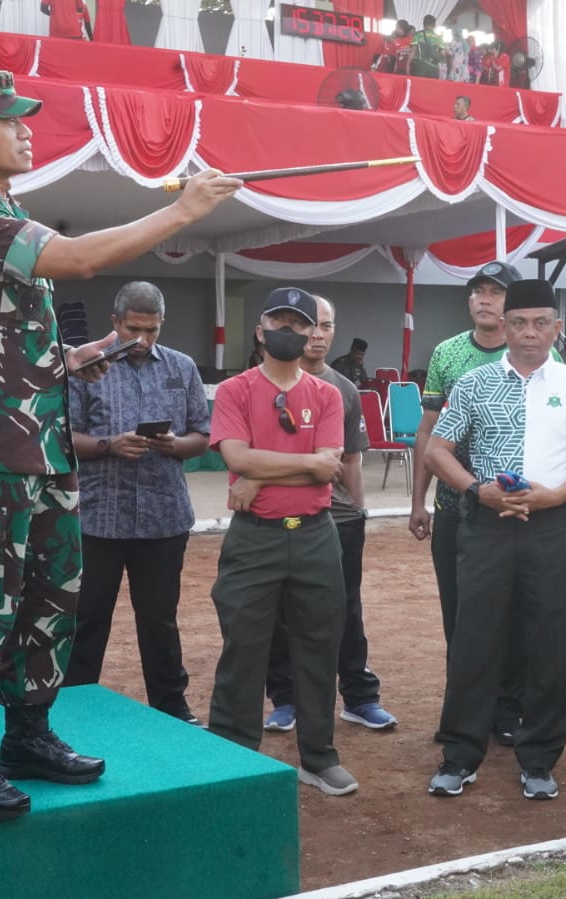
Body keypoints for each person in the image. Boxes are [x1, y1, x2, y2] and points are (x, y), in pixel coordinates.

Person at [0, 70, 240, 822]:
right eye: (10, 121)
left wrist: (70, 358)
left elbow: (6, 340)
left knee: (46, 598)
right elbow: (81, 259)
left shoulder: (4, 208)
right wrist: (183, 210)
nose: (26, 130)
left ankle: (26, 734)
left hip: (36, 444)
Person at [423, 278, 566, 801]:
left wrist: (556, 497)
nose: (530, 332)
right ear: (505, 327)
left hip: (553, 526)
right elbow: (437, 450)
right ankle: (460, 755)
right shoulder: (474, 383)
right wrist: (475, 491)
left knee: (550, 641)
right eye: (520, 323)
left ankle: (540, 758)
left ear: (556, 328)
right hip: (487, 525)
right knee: (474, 638)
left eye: (540, 323)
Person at [207, 287, 356, 797]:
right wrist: (302, 464)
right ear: (260, 329)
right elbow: (237, 458)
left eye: (299, 324)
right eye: (279, 322)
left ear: (313, 332)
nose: (289, 332)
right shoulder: (235, 391)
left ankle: (319, 757)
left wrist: (259, 474)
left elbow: (330, 470)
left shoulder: (327, 395)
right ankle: (233, 760)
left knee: (319, 648)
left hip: (315, 537)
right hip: (254, 540)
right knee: (243, 648)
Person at [64, 282, 211, 726]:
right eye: (133, 329)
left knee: (159, 619)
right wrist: (109, 445)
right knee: (88, 616)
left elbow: (203, 435)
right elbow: (63, 436)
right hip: (99, 518)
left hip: (163, 517)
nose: (143, 340)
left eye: (152, 330)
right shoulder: (88, 369)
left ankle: (170, 706)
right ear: (115, 323)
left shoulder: (182, 368)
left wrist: (175, 445)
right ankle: (74, 705)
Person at [258, 296, 398, 733]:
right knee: (280, 610)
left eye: (327, 325)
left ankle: (359, 696)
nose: (318, 335)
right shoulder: (258, 385)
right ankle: (286, 699)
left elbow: (352, 459)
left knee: (346, 608)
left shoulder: (344, 389)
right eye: (311, 325)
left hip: (337, 519)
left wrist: (357, 511)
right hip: (278, 516)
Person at [408, 260, 533, 745]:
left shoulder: (535, 355)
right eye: (478, 291)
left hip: (514, 508)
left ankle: (508, 708)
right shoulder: (448, 353)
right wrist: (418, 501)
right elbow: (428, 432)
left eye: (495, 292)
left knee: (513, 611)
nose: (484, 299)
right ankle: (463, 709)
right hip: (455, 506)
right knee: (458, 612)